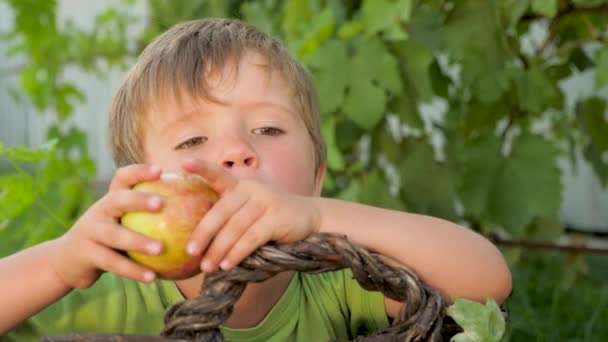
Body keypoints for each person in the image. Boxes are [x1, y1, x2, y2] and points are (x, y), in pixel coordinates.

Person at [0, 18, 511, 341]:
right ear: (138, 190)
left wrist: (322, 218)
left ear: (316, 178)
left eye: (268, 129)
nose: (237, 152)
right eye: (192, 143)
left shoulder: (336, 280)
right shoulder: (115, 291)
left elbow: (488, 281)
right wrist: (62, 264)